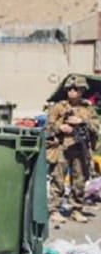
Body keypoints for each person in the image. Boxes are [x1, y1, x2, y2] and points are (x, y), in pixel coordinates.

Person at [46, 75, 99, 224]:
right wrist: (60, 127)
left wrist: (82, 121)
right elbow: (48, 127)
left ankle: (76, 209)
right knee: (58, 179)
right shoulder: (58, 107)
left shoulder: (88, 109)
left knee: (79, 180)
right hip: (62, 147)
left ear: (82, 91)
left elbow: (96, 128)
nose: (72, 92)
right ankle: (54, 210)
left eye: (76, 89)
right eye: (70, 89)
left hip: (80, 148)